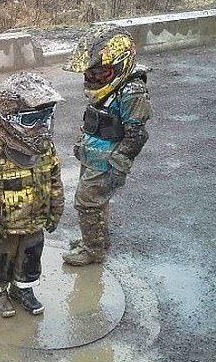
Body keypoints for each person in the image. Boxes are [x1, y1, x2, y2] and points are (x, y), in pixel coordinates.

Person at [0, 73, 64, 318]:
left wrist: (56, 209)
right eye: (32, 118)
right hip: (5, 223)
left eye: (46, 116)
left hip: (36, 219)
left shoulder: (45, 145)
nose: (41, 124)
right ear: (9, 119)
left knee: (31, 257)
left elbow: (54, 177)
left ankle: (23, 290)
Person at [62, 24, 152, 266]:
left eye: (101, 75)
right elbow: (92, 118)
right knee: (96, 202)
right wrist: (81, 141)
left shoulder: (131, 91)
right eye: (90, 75)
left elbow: (136, 135)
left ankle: (93, 250)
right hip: (93, 154)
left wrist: (120, 165)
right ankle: (97, 240)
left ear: (120, 67)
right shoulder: (106, 92)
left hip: (107, 159)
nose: (94, 79)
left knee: (87, 203)